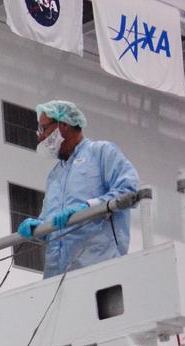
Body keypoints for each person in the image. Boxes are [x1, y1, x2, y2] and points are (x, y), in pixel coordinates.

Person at [15, 100, 139, 279]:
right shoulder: (55, 175)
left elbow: (129, 189)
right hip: (57, 277)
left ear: (64, 124)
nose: (40, 136)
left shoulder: (101, 152)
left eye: (43, 129)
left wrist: (89, 208)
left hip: (99, 266)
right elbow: (51, 221)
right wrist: (38, 229)